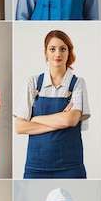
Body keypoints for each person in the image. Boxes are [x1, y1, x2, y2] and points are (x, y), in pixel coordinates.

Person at [14, 30, 90, 178]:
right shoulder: (34, 82)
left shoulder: (77, 83)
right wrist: (60, 119)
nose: (58, 54)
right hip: (36, 166)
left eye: (63, 49)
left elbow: (71, 120)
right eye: (52, 49)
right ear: (45, 53)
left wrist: (36, 119)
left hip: (70, 166)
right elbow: (20, 127)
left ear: (69, 52)